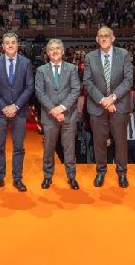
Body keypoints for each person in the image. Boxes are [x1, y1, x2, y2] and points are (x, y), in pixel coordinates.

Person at [83, 27, 133, 188]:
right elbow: (88, 82)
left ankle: (122, 172)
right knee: (99, 142)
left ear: (113, 38)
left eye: (107, 36)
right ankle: (100, 171)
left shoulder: (123, 54)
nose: (104, 38)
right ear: (97, 40)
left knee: (120, 141)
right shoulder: (90, 57)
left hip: (119, 104)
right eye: (100, 36)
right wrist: (102, 100)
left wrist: (112, 98)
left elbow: (128, 80)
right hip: (98, 106)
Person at [0, 33, 35, 192]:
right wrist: (4, 106)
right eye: (7, 43)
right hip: (0, 112)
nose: (10, 45)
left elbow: (29, 87)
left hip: (19, 112)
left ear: (18, 44)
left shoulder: (26, 63)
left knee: (19, 147)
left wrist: (16, 106)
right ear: (2, 46)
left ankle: (17, 178)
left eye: (13, 42)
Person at [35, 39, 81, 190]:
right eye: (51, 49)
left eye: (57, 49)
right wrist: (54, 111)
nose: (55, 51)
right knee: (49, 148)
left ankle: (71, 177)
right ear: (47, 53)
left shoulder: (72, 68)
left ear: (63, 51)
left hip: (68, 115)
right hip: (49, 116)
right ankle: (47, 176)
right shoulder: (41, 70)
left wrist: (61, 108)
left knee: (69, 148)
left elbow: (75, 90)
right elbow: (40, 93)